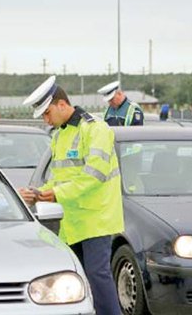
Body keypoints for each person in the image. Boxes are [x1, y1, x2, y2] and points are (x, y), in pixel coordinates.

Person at [20, 75, 124, 315]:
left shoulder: (96, 129)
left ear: (61, 104)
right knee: (74, 281)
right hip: (72, 220)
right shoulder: (59, 135)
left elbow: (94, 174)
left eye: (47, 113)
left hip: (97, 220)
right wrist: (39, 193)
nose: (46, 120)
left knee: (98, 278)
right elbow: (58, 178)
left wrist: (55, 193)